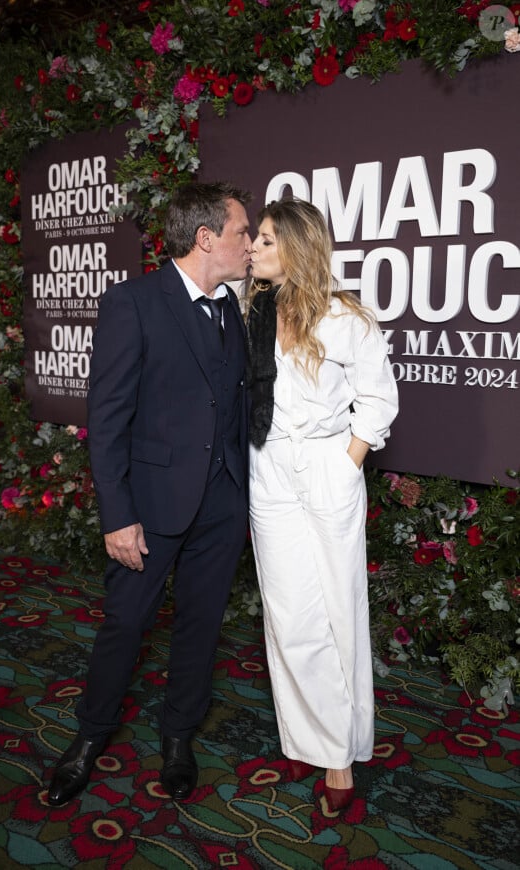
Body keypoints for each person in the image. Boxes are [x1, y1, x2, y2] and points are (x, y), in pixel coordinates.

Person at [48, 181, 252, 806]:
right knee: (126, 623)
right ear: (206, 238)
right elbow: (106, 419)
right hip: (151, 506)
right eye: (242, 232)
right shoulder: (132, 302)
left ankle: (178, 739)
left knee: (200, 626)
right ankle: (88, 737)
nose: (250, 244)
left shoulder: (234, 310)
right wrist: (118, 515)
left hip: (222, 502)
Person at [246, 198, 398, 812]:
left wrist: (349, 460)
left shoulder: (347, 319)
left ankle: (341, 753)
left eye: (263, 240)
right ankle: (316, 740)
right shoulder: (251, 310)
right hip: (269, 468)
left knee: (339, 607)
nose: (252, 249)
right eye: (252, 239)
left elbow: (378, 398)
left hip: (330, 465)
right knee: (289, 614)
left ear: (295, 248)